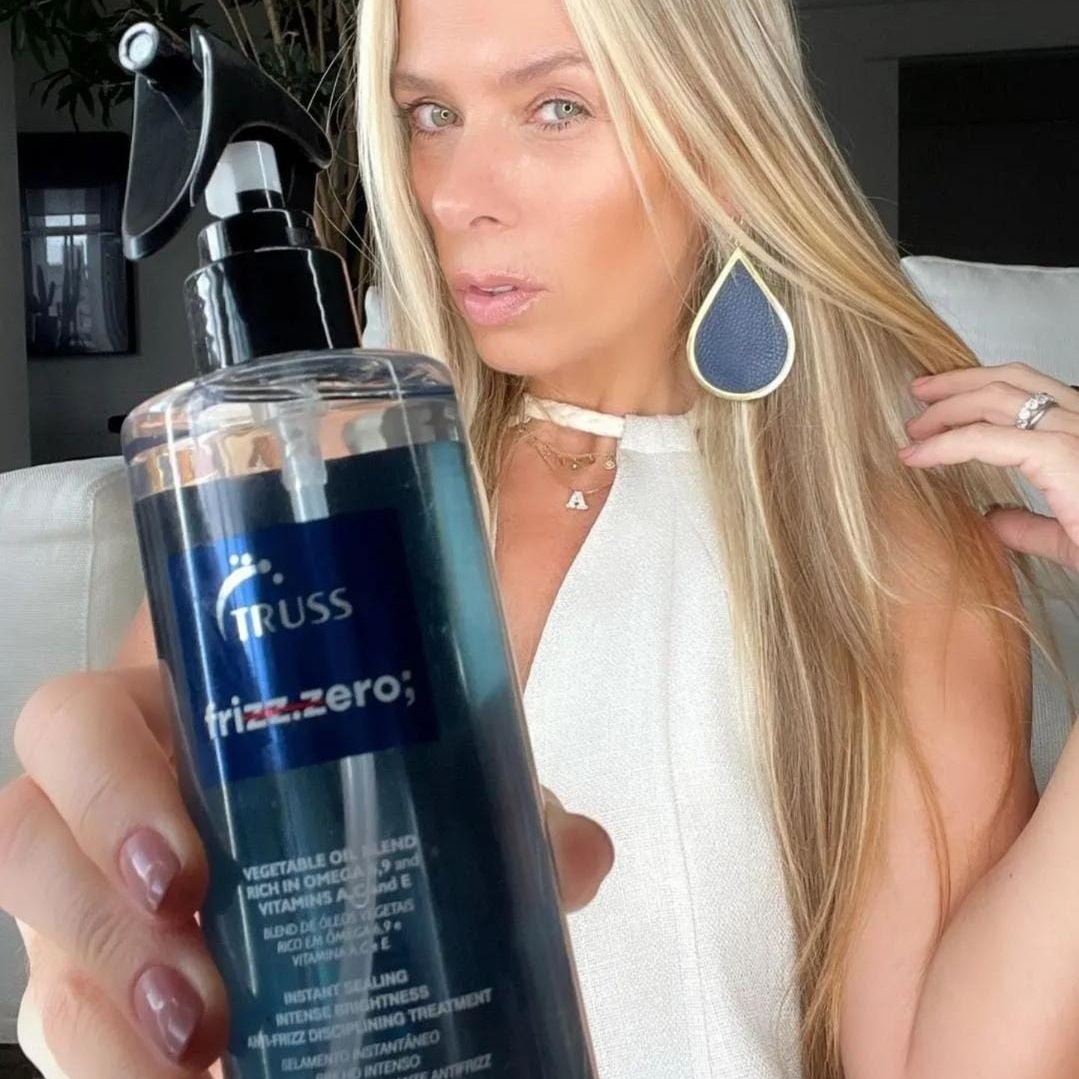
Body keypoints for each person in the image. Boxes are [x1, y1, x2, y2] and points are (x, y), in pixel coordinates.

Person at [1, 0, 1077, 1077]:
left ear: (720, 140)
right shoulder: (304, 511)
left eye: (556, 108)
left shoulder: (874, 534)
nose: (453, 194)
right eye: (430, 114)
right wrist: (92, 977)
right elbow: (147, 954)